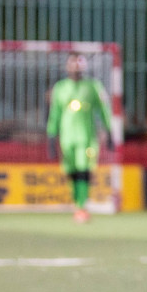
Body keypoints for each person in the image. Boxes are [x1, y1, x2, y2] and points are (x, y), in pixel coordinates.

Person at [46, 53, 114, 224]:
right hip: (67, 138)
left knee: (84, 170)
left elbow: (103, 110)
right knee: (71, 171)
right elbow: (55, 114)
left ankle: (82, 206)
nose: (76, 67)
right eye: (72, 63)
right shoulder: (60, 88)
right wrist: (51, 135)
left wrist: (109, 130)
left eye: (78, 63)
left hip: (87, 137)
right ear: (67, 66)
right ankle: (78, 204)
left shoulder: (93, 86)